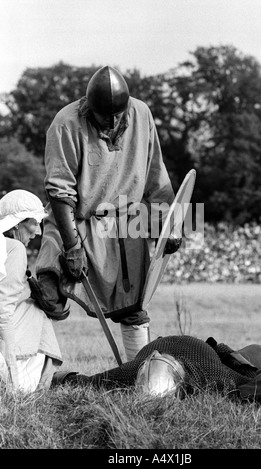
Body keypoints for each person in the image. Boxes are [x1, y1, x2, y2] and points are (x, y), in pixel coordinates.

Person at [35, 65, 181, 361]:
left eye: (119, 114)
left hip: (126, 222)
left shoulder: (141, 114)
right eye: (106, 116)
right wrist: (72, 246)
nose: (113, 121)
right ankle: (29, 376)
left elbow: (156, 175)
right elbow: (59, 190)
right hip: (75, 219)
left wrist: (170, 225)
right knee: (47, 297)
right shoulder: (65, 123)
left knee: (134, 308)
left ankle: (140, 375)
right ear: (90, 108)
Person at [51, 335, 261, 398]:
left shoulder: (212, 375)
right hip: (161, 344)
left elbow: (253, 383)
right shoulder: (129, 372)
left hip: (204, 350)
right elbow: (69, 380)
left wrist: (231, 357)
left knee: (260, 353)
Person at [0, 190, 63, 392]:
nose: (38, 232)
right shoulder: (14, 249)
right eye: (34, 223)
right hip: (12, 356)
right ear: (17, 223)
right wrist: (12, 374)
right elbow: (3, 311)